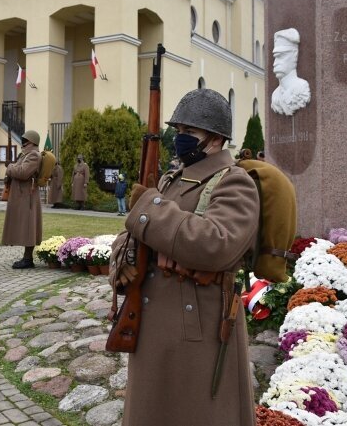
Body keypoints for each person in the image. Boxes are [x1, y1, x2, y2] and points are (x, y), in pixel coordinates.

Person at [110, 88, 259, 425]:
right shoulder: (170, 179)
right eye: (178, 132)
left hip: (198, 328)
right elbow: (129, 235)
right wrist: (124, 259)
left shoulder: (234, 182)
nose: (180, 139)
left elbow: (217, 243)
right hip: (151, 320)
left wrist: (148, 209)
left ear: (216, 138)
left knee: (196, 413)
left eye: (189, 133)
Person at [2, 130, 43, 269]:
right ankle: (27, 258)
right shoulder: (26, 154)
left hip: (27, 196)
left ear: (32, 141)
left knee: (29, 227)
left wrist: (9, 167)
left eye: (25, 139)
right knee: (25, 226)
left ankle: (28, 259)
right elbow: (18, 169)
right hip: (22, 195)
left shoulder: (34, 155)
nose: (23, 141)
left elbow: (23, 172)